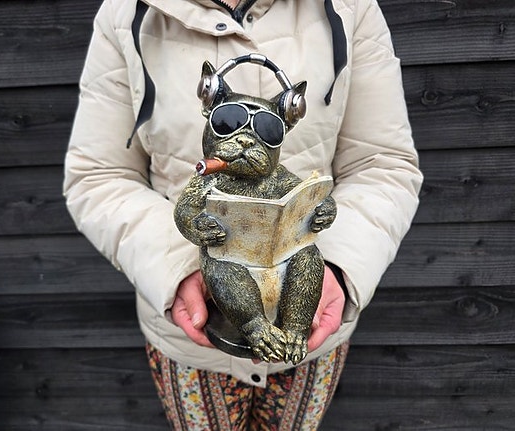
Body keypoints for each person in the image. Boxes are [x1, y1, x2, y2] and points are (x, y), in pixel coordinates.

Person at [63, 0, 423, 429]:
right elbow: (99, 175)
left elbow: (382, 164)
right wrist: (179, 266)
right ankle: (254, 323)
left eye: (266, 130)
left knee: (305, 262)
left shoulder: (351, 7)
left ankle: (290, 328)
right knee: (223, 265)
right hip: (192, 333)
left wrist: (340, 265)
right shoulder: (124, 12)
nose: (247, 141)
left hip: (311, 324)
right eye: (227, 122)